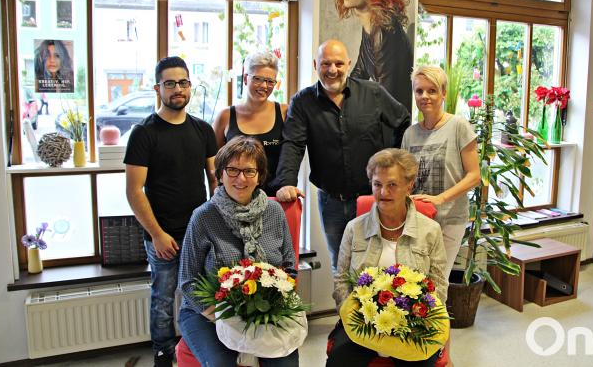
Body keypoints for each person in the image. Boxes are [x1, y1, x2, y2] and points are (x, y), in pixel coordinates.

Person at [272, 39, 411, 272]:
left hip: (373, 199)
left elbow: (403, 121)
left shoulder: (373, 92)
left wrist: (392, 165)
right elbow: (293, 145)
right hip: (331, 202)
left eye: (338, 63)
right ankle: (344, 311)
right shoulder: (302, 102)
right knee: (341, 267)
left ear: (348, 64)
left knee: (379, 266)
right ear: (316, 65)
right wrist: (286, 182)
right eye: (325, 63)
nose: (332, 70)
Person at [124, 56, 218, 367]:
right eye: (170, 83)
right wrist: (157, 234)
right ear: (157, 88)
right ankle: (164, 355)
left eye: (183, 82)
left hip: (199, 233)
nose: (177, 89)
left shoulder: (203, 130)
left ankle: (201, 348)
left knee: (204, 296)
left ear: (190, 86)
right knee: (163, 299)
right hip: (163, 235)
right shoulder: (144, 133)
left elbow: (215, 178)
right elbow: (134, 190)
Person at [178, 136, 298, 367]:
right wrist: (224, 318)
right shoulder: (203, 217)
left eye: (249, 171)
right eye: (232, 170)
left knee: (286, 364)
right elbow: (187, 282)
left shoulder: (274, 212)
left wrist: (271, 307)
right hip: (207, 314)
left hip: (264, 312)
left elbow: (289, 269)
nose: (240, 178)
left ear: (260, 176)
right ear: (220, 174)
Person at [327, 148, 447, 367]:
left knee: (420, 362)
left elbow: (438, 285)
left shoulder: (431, 231)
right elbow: (341, 280)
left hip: (412, 324)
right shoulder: (354, 229)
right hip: (362, 320)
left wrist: (418, 318)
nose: (383, 192)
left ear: (409, 185)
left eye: (392, 184)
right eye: (377, 184)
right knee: (339, 360)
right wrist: (353, 315)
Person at [401, 65, 480, 283]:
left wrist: (440, 199)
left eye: (432, 90)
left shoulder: (459, 127)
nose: (425, 96)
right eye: (419, 91)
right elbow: (406, 178)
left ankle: (438, 319)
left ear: (443, 93)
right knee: (413, 283)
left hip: (450, 219)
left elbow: (474, 176)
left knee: (436, 284)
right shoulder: (410, 134)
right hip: (417, 218)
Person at [335, 0, 414, 111]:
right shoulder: (371, 25)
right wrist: (335, 96)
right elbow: (359, 72)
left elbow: (387, 98)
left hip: (391, 127)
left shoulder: (385, 31)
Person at [213, 50, 288, 196]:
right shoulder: (225, 116)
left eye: (270, 81)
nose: (264, 86)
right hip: (234, 200)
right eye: (258, 79)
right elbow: (215, 163)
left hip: (275, 199)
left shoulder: (285, 112)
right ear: (246, 78)